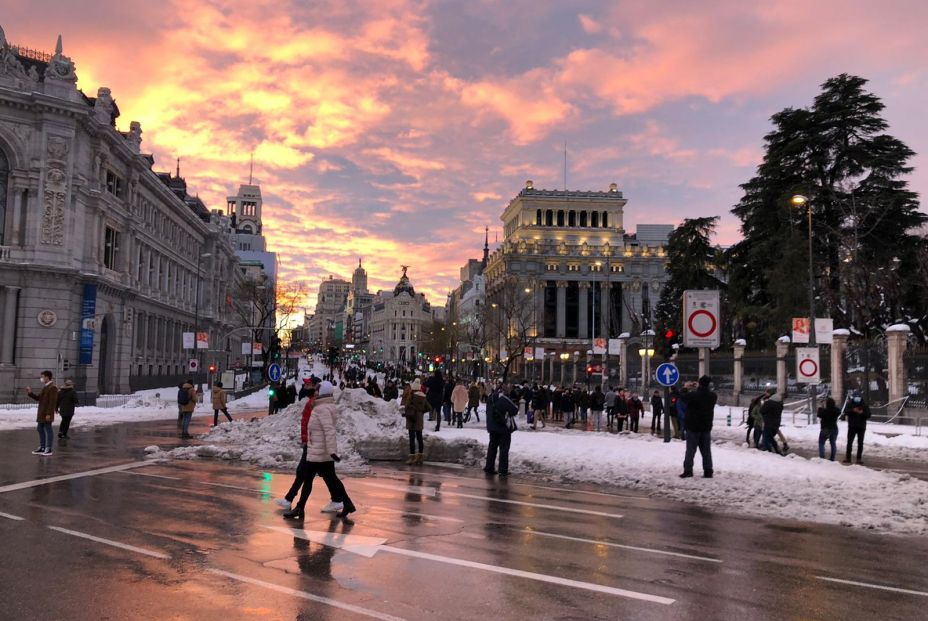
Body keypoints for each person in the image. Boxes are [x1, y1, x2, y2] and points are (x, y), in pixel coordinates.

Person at [283, 381, 356, 520]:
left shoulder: (322, 409)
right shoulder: (323, 406)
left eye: (318, 390)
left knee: (309, 479)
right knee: (330, 479)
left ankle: (300, 508)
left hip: (319, 451)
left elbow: (329, 430)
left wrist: (332, 451)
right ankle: (347, 503)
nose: (315, 392)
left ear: (323, 392)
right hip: (320, 450)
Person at [679, 376, 717, 478]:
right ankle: (708, 471)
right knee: (706, 451)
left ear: (699, 384)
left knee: (690, 450)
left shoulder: (693, 395)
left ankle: (688, 470)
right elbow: (703, 394)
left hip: (693, 427)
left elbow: (682, 396)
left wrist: (686, 387)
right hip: (706, 428)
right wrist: (698, 387)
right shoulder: (713, 396)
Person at [485, 382, 518, 476]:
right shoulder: (503, 399)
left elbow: (488, 412)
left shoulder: (490, 398)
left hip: (492, 427)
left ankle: (489, 467)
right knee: (504, 449)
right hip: (503, 428)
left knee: (492, 447)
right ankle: (503, 469)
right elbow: (515, 410)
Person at [26, 370, 58, 455]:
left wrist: (49, 414)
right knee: (40, 428)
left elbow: (52, 403)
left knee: (48, 429)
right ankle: (42, 447)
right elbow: (38, 398)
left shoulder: (52, 387)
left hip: (46, 413)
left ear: (47, 377)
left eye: (42, 377)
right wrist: (30, 393)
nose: (41, 378)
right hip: (42, 412)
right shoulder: (45, 387)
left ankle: (48, 448)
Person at [403, 379, 429, 464]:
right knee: (419, 438)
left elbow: (406, 407)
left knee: (412, 439)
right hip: (419, 420)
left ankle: (412, 457)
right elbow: (429, 407)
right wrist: (421, 412)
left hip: (411, 420)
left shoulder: (411, 396)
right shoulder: (423, 397)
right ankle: (420, 457)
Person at [842, 395, 871, 464]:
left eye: (859, 397)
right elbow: (845, 412)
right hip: (852, 426)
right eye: (856, 397)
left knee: (860, 443)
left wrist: (862, 413)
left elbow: (868, 415)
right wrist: (852, 410)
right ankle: (848, 457)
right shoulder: (850, 404)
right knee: (849, 442)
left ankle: (859, 458)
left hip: (861, 427)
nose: (857, 398)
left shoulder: (864, 405)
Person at [817, 397, 841, 461]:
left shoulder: (825, 411)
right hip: (834, 428)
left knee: (821, 442)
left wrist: (820, 407)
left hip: (825, 429)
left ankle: (822, 457)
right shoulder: (836, 411)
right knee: (833, 443)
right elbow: (839, 411)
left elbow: (819, 414)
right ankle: (832, 458)